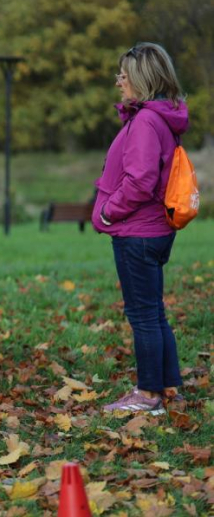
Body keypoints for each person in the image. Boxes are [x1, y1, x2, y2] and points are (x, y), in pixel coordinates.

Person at [92, 43, 188, 414]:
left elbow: (140, 181)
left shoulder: (147, 122)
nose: (119, 80)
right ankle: (167, 389)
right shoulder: (157, 117)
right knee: (154, 312)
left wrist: (107, 214)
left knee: (144, 315)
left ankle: (148, 395)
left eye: (124, 74)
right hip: (151, 230)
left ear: (142, 79)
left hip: (138, 233)